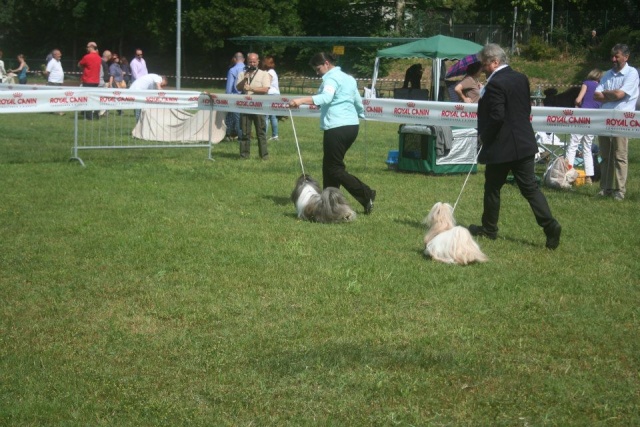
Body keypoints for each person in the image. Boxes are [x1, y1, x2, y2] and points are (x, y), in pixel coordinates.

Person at [468, 43, 561, 250]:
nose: (482, 69)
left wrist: (484, 137)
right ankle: (550, 225)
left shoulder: (494, 84)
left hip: (502, 146)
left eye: (485, 64)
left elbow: (497, 116)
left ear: (495, 62)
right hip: (524, 142)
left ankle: (489, 228)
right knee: (530, 188)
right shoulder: (521, 78)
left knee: (492, 187)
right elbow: (524, 108)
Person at [287, 52, 376, 215]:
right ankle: (330, 204)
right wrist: (359, 115)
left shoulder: (331, 78)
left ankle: (366, 194)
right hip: (351, 126)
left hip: (337, 127)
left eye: (318, 68)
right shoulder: (348, 78)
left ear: (326, 63)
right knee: (329, 167)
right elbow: (357, 101)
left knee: (334, 168)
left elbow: (326, 97)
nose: (317, 72)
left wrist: (300, 100)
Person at [593, 43, 640, 201]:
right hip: (605, 117)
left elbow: (620, 95)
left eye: (616, 56)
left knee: (620, 156)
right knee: (605, 156)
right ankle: (605, 188)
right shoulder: (607, 74)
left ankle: (619, 191)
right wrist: (611, 94)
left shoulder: (631, 73)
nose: (613, 59)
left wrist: (607, 94)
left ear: (626, 57)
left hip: (622, 119)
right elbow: (596, 95)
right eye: (612, 56)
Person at [566, 68, 603, 185]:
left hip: (582, 117)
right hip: (594, 118)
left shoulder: (586, 84)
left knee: (573, 145)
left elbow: (578, 99)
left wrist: (578, 104)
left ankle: (568, 172)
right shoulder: (602, 87)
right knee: (587, 148)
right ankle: (589, 176)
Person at [236, 52, 271, 159]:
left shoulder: (264, 74)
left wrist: (251, 89)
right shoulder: (242, 74)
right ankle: (244, 155)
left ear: (258, 62)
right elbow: (238, 88)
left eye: (254, 61)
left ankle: (263, 155)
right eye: (250, 61)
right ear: (247, 62)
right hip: (245, 106)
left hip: (259, 107)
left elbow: (265, 89)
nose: (252, 63)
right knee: (245, 132)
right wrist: (245, 79)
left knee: (261, 132)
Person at [78, 42, 102, 120]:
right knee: (94, 98)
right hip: (96, 81)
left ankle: (88, 116)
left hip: (87, 80)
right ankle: (95, 114)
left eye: (88, 47)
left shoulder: (87, 57)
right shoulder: (99, 58)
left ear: (91, 47)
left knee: (87, 98)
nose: (86, 48)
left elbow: (80, 65)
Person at [225, 52, 245, 141]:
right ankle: (243, 135)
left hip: (236, 97)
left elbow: (229, 88)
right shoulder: (248, 69)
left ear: (234, 59)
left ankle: (237, 136)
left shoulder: (232, 70)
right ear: (244, 59)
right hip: (248, 97)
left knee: (235, 118)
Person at [262, 55, 280, 141]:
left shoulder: (269, 73)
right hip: (276, 94)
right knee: (273, 116)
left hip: (270, 94)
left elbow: (266, 84)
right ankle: (275, 135)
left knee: (266, 116)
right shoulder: (273, 71)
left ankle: (264, 135)